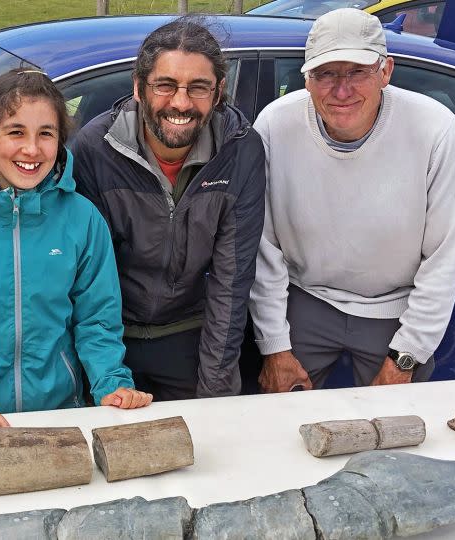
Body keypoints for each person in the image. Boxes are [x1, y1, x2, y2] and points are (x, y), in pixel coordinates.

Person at [249, 8, 455, 392]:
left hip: (396, 307)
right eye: (325, 74)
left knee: (394, 432)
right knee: (278, 425)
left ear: (386, 71)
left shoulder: (435, 129)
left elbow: (444, 258)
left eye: (357, 72)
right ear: (306, 78)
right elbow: (260, 246)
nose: (341, 89)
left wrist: (407, 354)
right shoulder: (274, 125)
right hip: (305, 299)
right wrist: (275, 347)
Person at [0, 68, 152, 427]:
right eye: (16, 132)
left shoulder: (83, 219)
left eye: (46, 134)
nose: (31, 149)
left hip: (61, 416)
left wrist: (111, 384)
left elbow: (97, 321)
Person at [72, 16, 266, 400]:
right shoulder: (96, 148)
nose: (180, 102)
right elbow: (87, 278)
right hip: (107, 340)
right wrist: (106, 375)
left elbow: (232, 280)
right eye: (165, 85)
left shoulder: (241, 151)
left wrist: (213, 393)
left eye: (198, 88)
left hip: (191, 338)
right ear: (139, 87)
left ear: (219, 90)